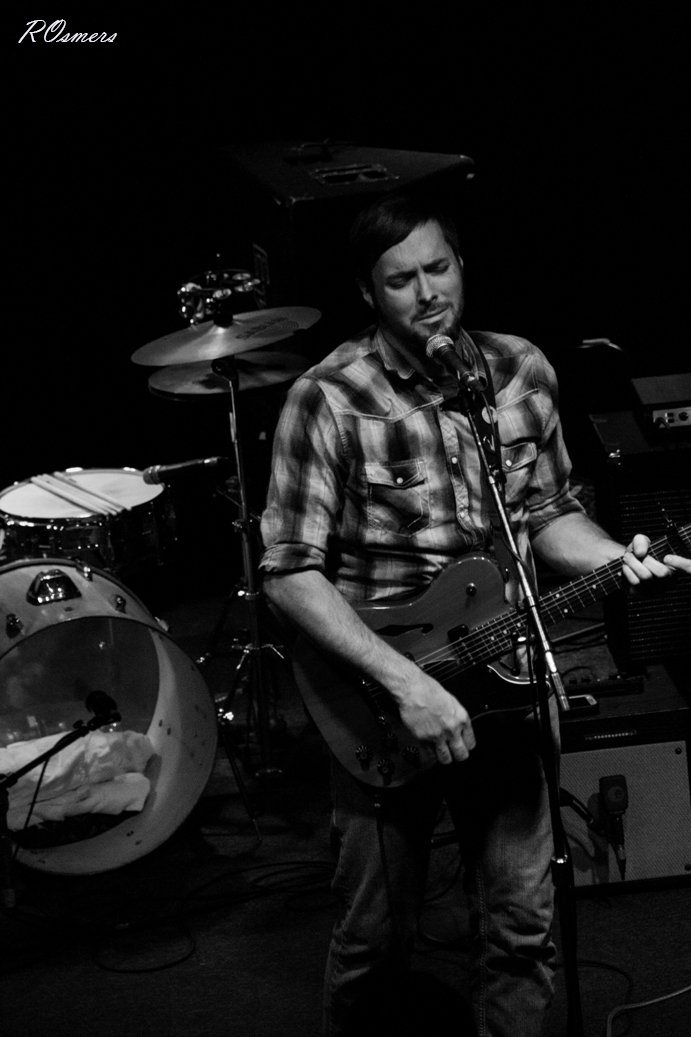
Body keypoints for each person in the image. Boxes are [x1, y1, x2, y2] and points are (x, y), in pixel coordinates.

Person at [259, 193, 683, 1037]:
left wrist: (612, 558)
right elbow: (287, 572)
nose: (426, 293)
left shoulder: (520, 370)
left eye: (438, 268)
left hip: (512, 683)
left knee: (523, 928)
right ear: (369, 294)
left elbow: (548, 515)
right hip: (381, 698)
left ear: (462, 265)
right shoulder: (329, 399)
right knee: (375, 942)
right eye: (401, 279)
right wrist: (402, 683)